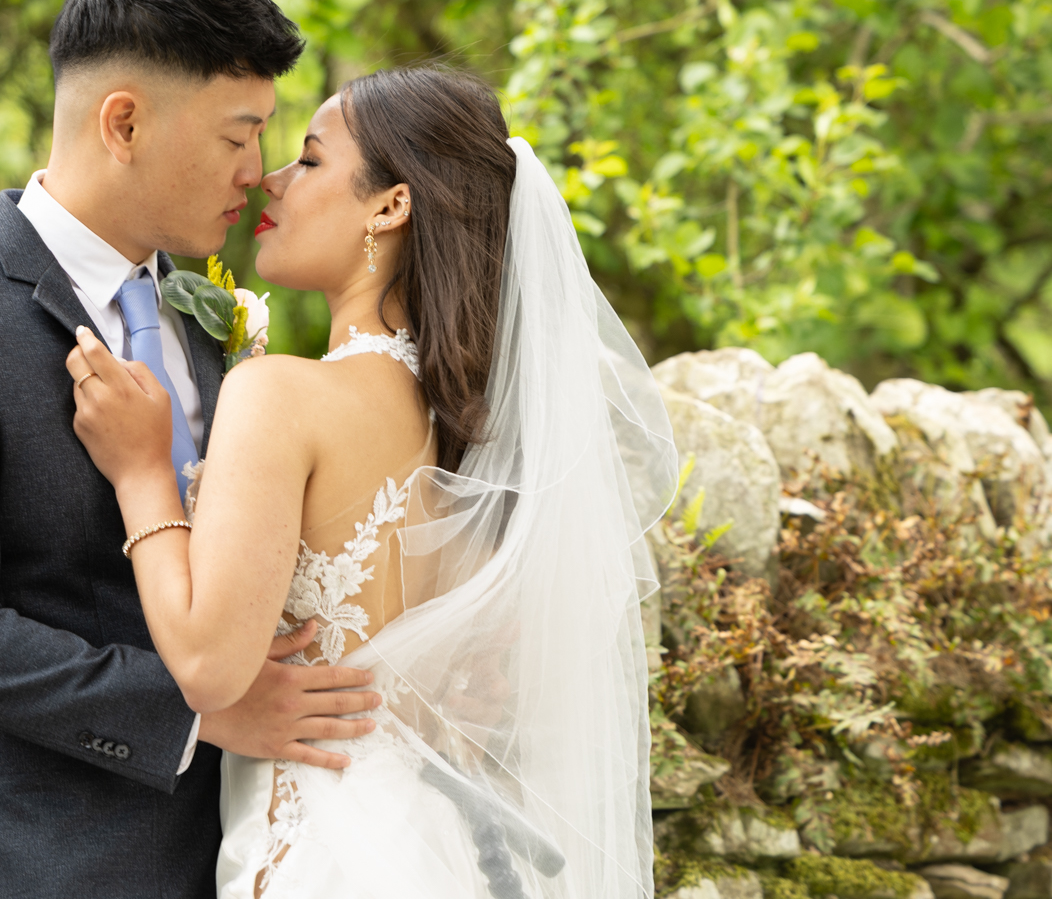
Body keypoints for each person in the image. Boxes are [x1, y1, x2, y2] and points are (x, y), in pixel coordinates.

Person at [0, 0, 383, 899]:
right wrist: (197, 714)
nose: (257, 172)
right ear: (124, 123)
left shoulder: (204, 313)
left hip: (261, 850)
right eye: (238, 135)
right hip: (64, 865)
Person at [67, 67, 680, 898]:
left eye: (311, 160)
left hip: (324, 852)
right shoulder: (473, 425)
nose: (270, 179)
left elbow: (208, 670)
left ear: (390, 207)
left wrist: (142, 473)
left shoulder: (279, 394)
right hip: (429, 841)